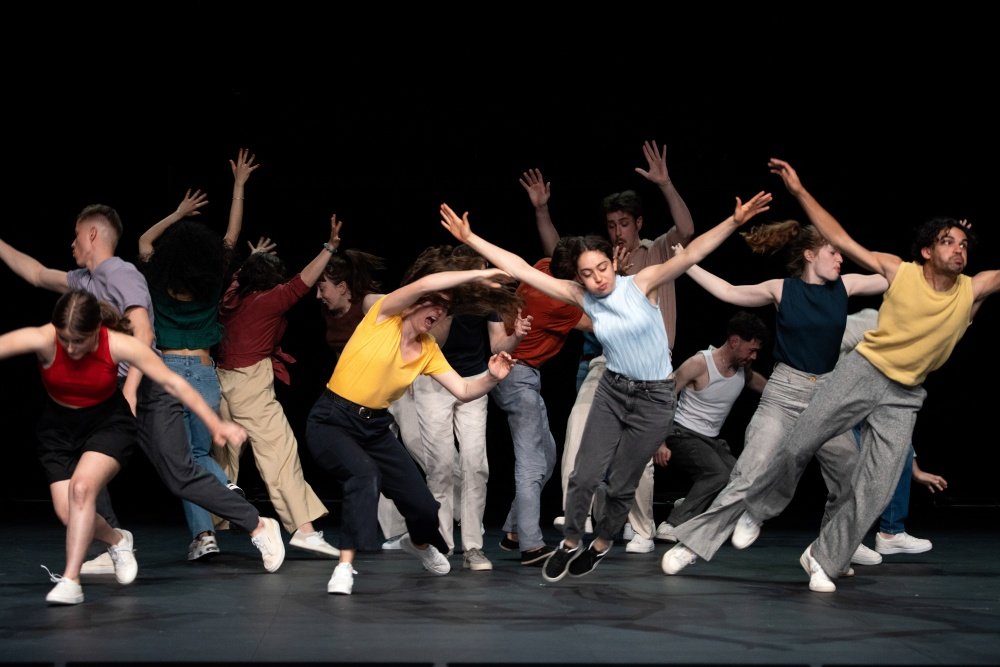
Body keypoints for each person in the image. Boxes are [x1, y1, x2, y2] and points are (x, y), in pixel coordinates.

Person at [440, 188, 772, 582]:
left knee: (621, 484)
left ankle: (601, 544)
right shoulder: (578, 295)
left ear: (613, 263)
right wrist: (471, 238)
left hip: (654, 398)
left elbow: (692, 253)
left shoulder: (642, 283)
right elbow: (522, 269)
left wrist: (735, 221)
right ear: (578, 276)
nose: (596, 279)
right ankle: (569, 542)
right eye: (586, 273)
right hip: (614, 390)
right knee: (583, 474)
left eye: (601, 269)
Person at [740, 158, 997, 593]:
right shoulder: (902, 271)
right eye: (948, 242)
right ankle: (757, 509)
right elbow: (840, 236)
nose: (959, 249)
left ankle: (824, 556)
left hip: (907, 393)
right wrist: (800, 192)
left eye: (964, 244)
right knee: (802, 438)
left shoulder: (976, 287)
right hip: (865, 370)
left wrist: (961, 235)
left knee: (876, 487)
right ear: (927, 251)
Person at [0, 203, 286, 575]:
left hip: (146, 384)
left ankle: (259, 525)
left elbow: (144, 332)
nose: (71, 244)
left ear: (91, 235)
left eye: (75, 235)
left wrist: (131, 390)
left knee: (178, 471)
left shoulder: (122, 274)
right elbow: (37, 274)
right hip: (107, 388)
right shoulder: (83, 281)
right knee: (89, 465)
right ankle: (113, 541)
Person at [661, 193, 890, 577]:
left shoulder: (845, 287)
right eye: (833, 253)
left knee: (849, 474)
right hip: (784, 394)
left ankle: (833, 548)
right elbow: (729, 292)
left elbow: (890, 275)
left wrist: (931, 264)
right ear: (810, 255)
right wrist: (687, 264)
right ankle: (692, 544)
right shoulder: (782, 289)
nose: (840, 259)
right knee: (750, 470)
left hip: (828, 396)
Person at [0, 290, 247, 604]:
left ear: (97, 331)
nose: (71, 348)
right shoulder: (42, 338)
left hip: (108, 424)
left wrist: (215, 424)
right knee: (69, 514)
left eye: (80, 340)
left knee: (82, 490)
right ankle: (117, 539)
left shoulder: (117, 344)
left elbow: (174, 383)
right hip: (58, 430)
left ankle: (71, 580)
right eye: (65, 339)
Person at [305, 248, 520, 595]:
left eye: (445, 310)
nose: (438, 312)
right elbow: (429, 282)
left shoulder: (428, 350)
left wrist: (492, 377)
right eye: (433, 303)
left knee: (422, 505)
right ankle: (345, 566)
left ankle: (418, 544)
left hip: (374, 428)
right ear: (417, 300)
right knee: (364, 475)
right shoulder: (383, 314)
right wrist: (476, 275)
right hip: (332, 420)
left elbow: (465, 389)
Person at [525, 141, 697, 544]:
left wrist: (666, 183)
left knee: (639, 456)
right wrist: (541, 210)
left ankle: (640, 529)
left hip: (652, 367)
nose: (617, 231)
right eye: (611, 225)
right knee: (578, 433)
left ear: (638, 222)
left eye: (623, 223)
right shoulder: (598, 262)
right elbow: (557, 257)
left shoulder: (655, 253)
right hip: (606, 364)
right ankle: (578, 515)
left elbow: (688, 231)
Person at [137, 148, 258, 560]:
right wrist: (239, 187)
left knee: (184, 462)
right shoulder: (211, 278)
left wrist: (177, 213)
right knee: (198, 456)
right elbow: (230, 237)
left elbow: (144, 241)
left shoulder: (157, 278)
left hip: (167, 371)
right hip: (204, 373)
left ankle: (207, 530)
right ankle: (217, 500)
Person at [213, 216, 346, 559]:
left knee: (222, 460)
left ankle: (205, 528)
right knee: (280, 454)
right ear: (269, 280)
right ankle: (303, 530)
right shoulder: (267, 300)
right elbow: (302, 282)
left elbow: (241, 277)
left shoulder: (231, 297)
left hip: (220, 382)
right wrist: (329, 247)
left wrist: (252, 259)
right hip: (250, 385)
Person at [405, 244, 531, 571]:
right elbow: (437, 342)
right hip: (434, 380)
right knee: (442, 465)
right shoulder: (438, 296)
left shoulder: (485, 301)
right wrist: (450, 304)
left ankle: (473, 547)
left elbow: (497, 345)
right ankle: (443, 545)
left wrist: (514, 336)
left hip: (474, 383)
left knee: (476, 464)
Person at [490, 234, 591, 567]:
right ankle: (531, 545)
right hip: (517, 375)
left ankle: (514, 531)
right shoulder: (557, 303)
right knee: (532, 461)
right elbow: (595, 322)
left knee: (546, 456)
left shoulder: (543, 267)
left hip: (522, 375)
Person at [630, 311, 769, 553]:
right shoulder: (699, 364)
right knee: (717, 474)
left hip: (710, 440)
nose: (754, 356)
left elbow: (764, 386)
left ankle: (693, 503)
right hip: (680, 432)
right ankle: (672, 523)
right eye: (751, 349)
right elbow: (665, 397)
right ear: (735, 341)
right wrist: (659, 441)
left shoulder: (742, 370)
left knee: (741, 477)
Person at [837, 309, 948, 563]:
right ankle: (844, 540)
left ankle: (890, 533)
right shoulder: (866, 326)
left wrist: (915, 469)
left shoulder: (897, 357)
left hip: (864, 404)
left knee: (898, 444)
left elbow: (896, 421)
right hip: (835, 402)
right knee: (849, 465)